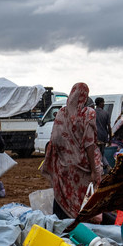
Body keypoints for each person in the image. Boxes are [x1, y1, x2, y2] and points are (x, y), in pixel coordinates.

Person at [40, 83, 101, 220]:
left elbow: (54, 140)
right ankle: (79, 231)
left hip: (63, 168)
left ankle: (60, 230)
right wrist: (93, 170)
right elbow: (89, 144)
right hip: (81, 170)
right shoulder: (88, 114)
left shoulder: (61, 113)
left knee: (62, 199)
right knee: (82, 202)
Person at [94, 97, 112, 165]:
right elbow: (109, 127)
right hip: (103, 136)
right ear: (101, 103)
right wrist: (110, 138)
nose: (104, 104)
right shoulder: (106, 113)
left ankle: (103, 167)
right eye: (103, 103)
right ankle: (106, 166)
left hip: (95, 136)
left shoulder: (92, 112)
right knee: (102, 153)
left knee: (97, 154)